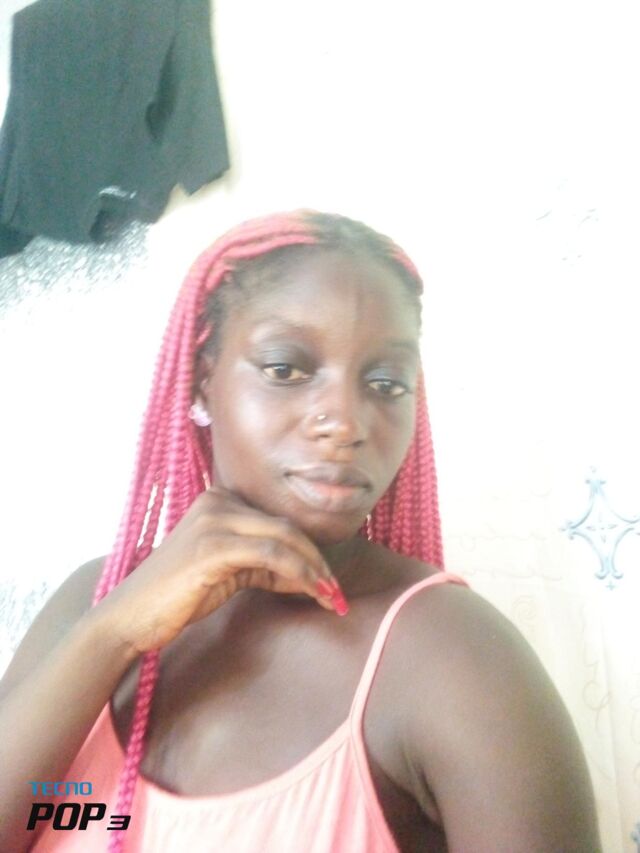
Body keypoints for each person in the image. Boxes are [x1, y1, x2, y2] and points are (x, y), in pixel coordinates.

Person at [0, 211, 600, 852]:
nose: (345, 421)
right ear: (201, 381)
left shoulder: (452, 659)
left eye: (385, 383)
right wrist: (112, 634)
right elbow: (47, 819)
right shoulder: (96, 598)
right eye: (286, 369)